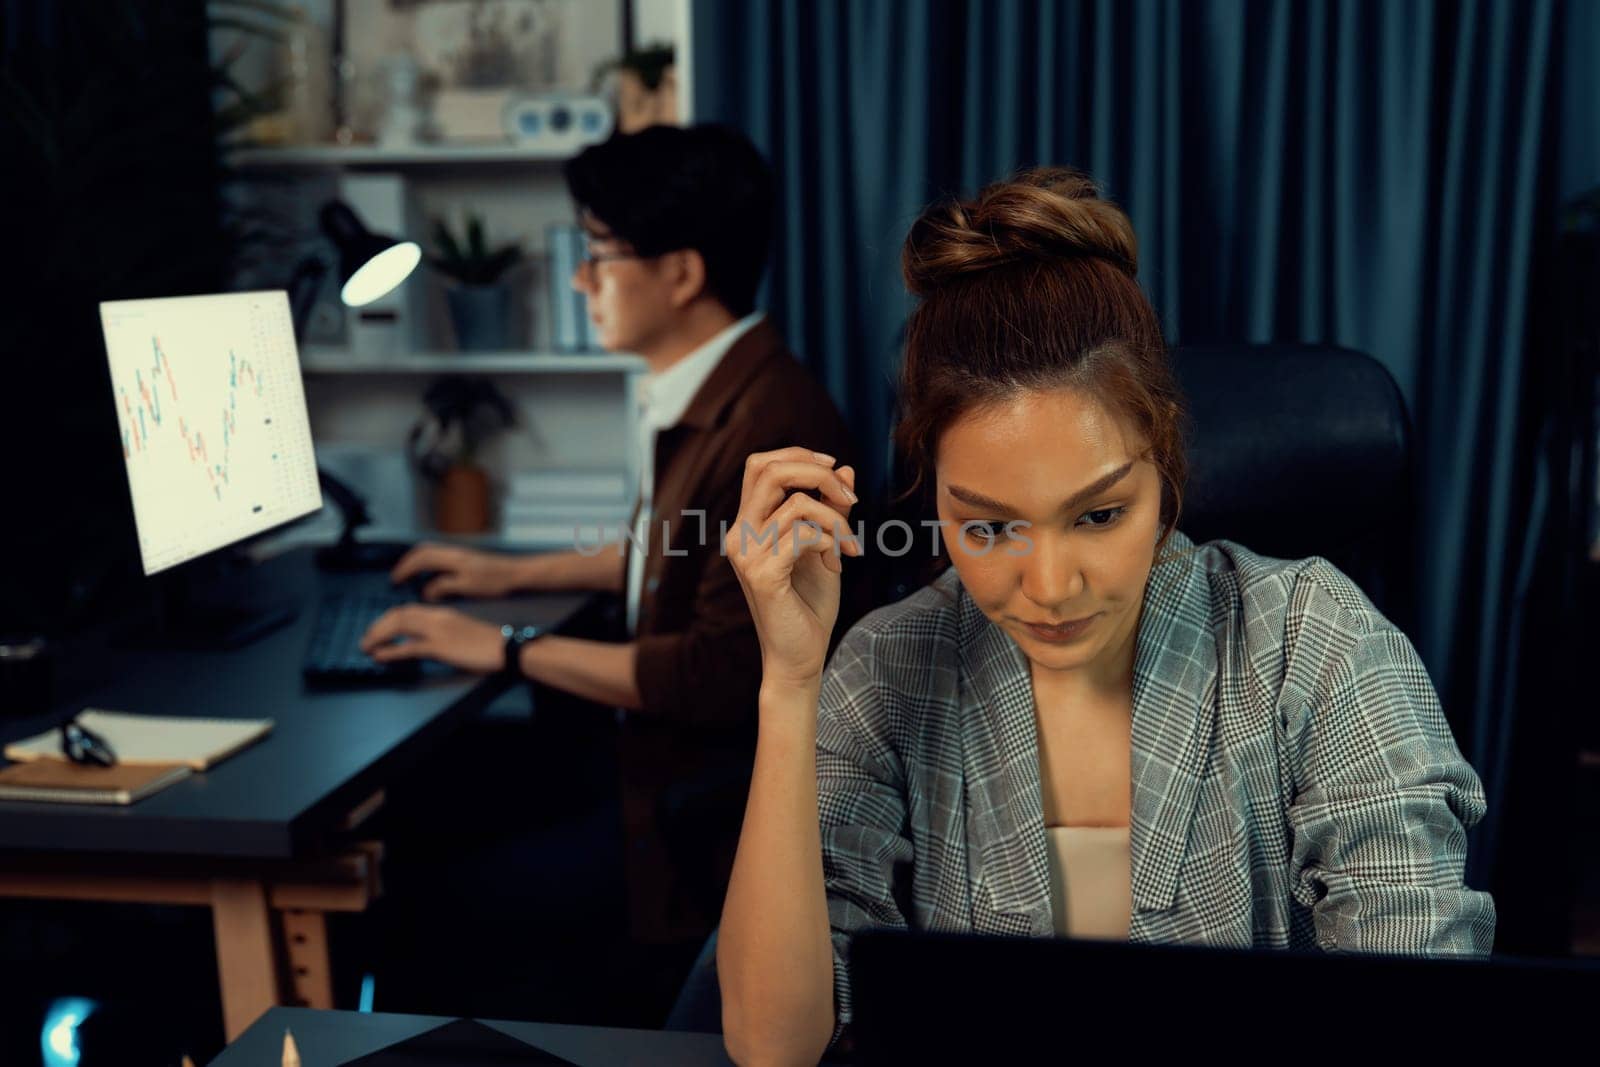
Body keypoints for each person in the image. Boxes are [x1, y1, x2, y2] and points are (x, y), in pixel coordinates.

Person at [714, 167, 1495, 1063]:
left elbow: (1421, 1012)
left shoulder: (1318, 643)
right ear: (932, 497)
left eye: (1097, 514)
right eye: (989, 525)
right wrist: (788, 681)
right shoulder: (891, 663)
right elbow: (775, 1044)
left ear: (1163, 462)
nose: (1049, 584)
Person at [360, 124, 859, 945]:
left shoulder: (768, 425)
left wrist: (504, 648)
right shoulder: (717, 389)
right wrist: (503, 577)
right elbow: (677, 556)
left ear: (683, 273)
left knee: (418, 886)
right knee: (426, 808)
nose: (582, 277)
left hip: (683, 821)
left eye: (601, 251)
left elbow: (711, 672)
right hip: (649, 776)